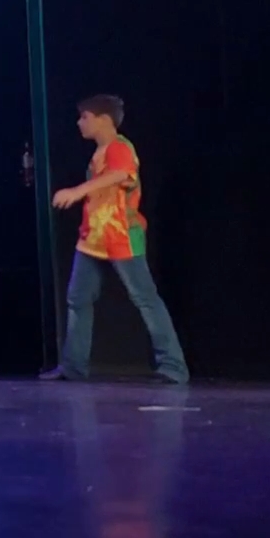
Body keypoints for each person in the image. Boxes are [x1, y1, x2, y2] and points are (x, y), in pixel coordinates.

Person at [43, 95, 190, 384]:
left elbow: (120, 173)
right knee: (78, 298)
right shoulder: (99, 153)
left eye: (85, 117)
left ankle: (174, 366)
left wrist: (78, 191)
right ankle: (73, 367)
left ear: (103, 120)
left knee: (145, 298)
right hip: (93, 238)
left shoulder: (119, 147)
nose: (80, 122)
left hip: (121, 235)